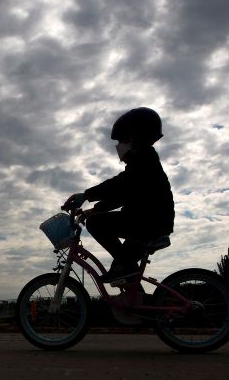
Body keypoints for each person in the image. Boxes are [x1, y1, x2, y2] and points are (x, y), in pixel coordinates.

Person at [64, 107, 175, 284]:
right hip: (150, 222)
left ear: (134, 137)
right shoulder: (144, 160)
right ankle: (137, 300)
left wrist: (86, 195)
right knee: (123, 272)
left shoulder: (144, 159)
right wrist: (93, 209)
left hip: (149, 223)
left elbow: (121, 185)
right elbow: (124, 195)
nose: (119, 146)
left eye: (122, 140)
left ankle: (127, 267)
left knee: (97, 224)